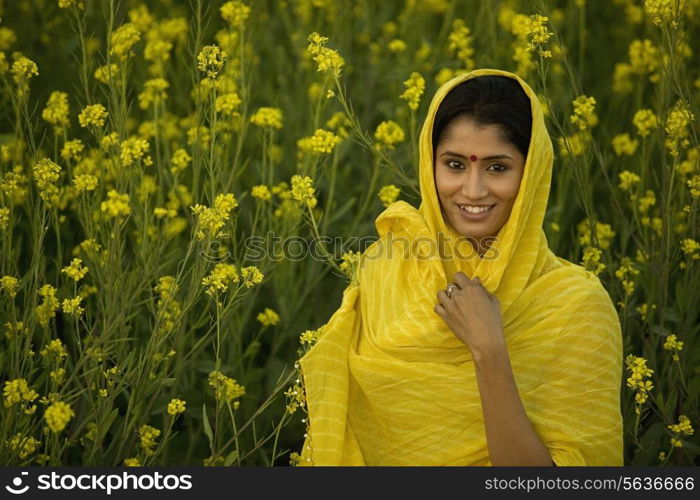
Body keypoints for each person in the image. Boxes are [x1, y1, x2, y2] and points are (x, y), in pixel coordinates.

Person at [294, 68, 624, 466]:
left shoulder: (575, 306)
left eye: (497, 167)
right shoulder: (390, 267)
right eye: (454, 165)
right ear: (429, 165)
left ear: (532, 173)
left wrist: (489, 351)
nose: (472, 190)